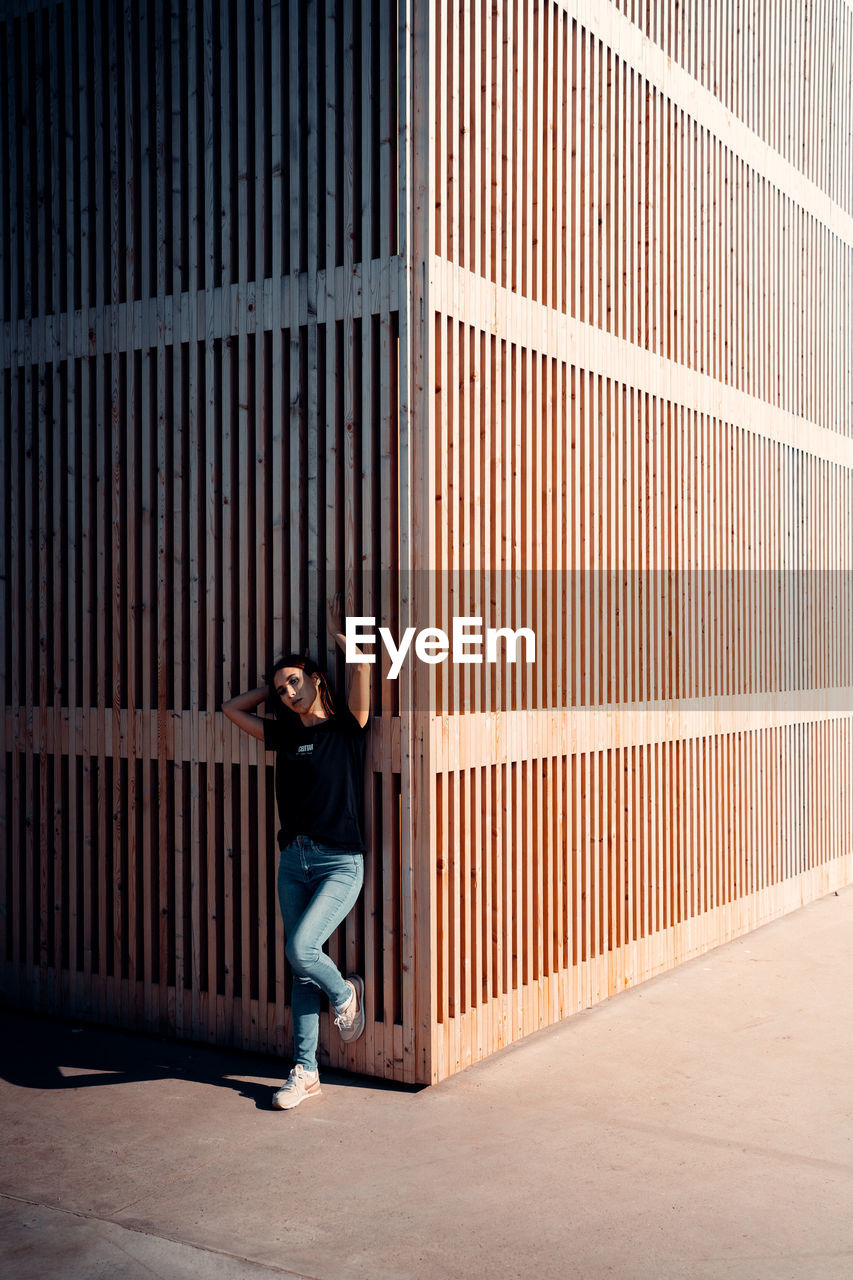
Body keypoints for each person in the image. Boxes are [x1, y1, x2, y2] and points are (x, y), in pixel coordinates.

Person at [222, 594, 371, 1110]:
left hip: (339, 862)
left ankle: (346, 995)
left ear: (316, 680)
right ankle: (305, 1072)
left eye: (294, 682)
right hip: (295, 861)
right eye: (281, 687)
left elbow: (363, 671)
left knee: (303, 951)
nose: (287, 692)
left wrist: (341, 635)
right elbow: (230, 710)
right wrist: (269, 687)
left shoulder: (348, 726)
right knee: (301, 967)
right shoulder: (283, 735)